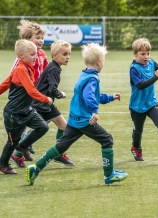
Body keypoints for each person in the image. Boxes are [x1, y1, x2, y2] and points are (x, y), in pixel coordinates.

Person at [26, 43, 128, 185]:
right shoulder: (92, 78)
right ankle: (109, 174)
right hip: (85, 120)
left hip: (74, 119)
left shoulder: (85, 73)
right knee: (107, 139)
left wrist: (110, 97)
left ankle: (35, 168)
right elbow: (89, 96)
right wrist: (95, 111)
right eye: (104, 60)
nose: (103, 63)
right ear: (99, 61)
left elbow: (93, 96)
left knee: (60, 147)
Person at [11, 40, 74, 168]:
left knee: (63, 125)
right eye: (64, 54)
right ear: (55, 55)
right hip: (41, 104)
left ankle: (59, 153)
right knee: (40, 128)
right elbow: (52, 89)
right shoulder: (54, 70)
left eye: (69, 54)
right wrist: (60, 94)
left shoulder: (53, 67)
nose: (68, 57)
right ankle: (19, 150)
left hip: (45, 104)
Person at [0, 39, 52, 174]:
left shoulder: (27, 68)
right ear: (21, 56)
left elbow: (5, 85)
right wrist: (46, 99)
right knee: (12, 142)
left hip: (26, 110)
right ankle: (3, 164)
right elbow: (31, 91)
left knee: (43, 126)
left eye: (36, 53)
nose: (36, 56)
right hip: (14, 114)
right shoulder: (21, 69)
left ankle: (23, 146)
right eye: (32, 54)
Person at [11, 19, 49, 161]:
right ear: (27, 40)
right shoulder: (20, 60)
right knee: (24, 123)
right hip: (26, 96)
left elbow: (45, 72)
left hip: (38, 94)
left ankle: (24, 146)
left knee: (44, 118)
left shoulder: (42, 54)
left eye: (42, 38)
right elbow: (13, 77)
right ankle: (19, 151)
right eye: (37, 38)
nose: (40, 41)